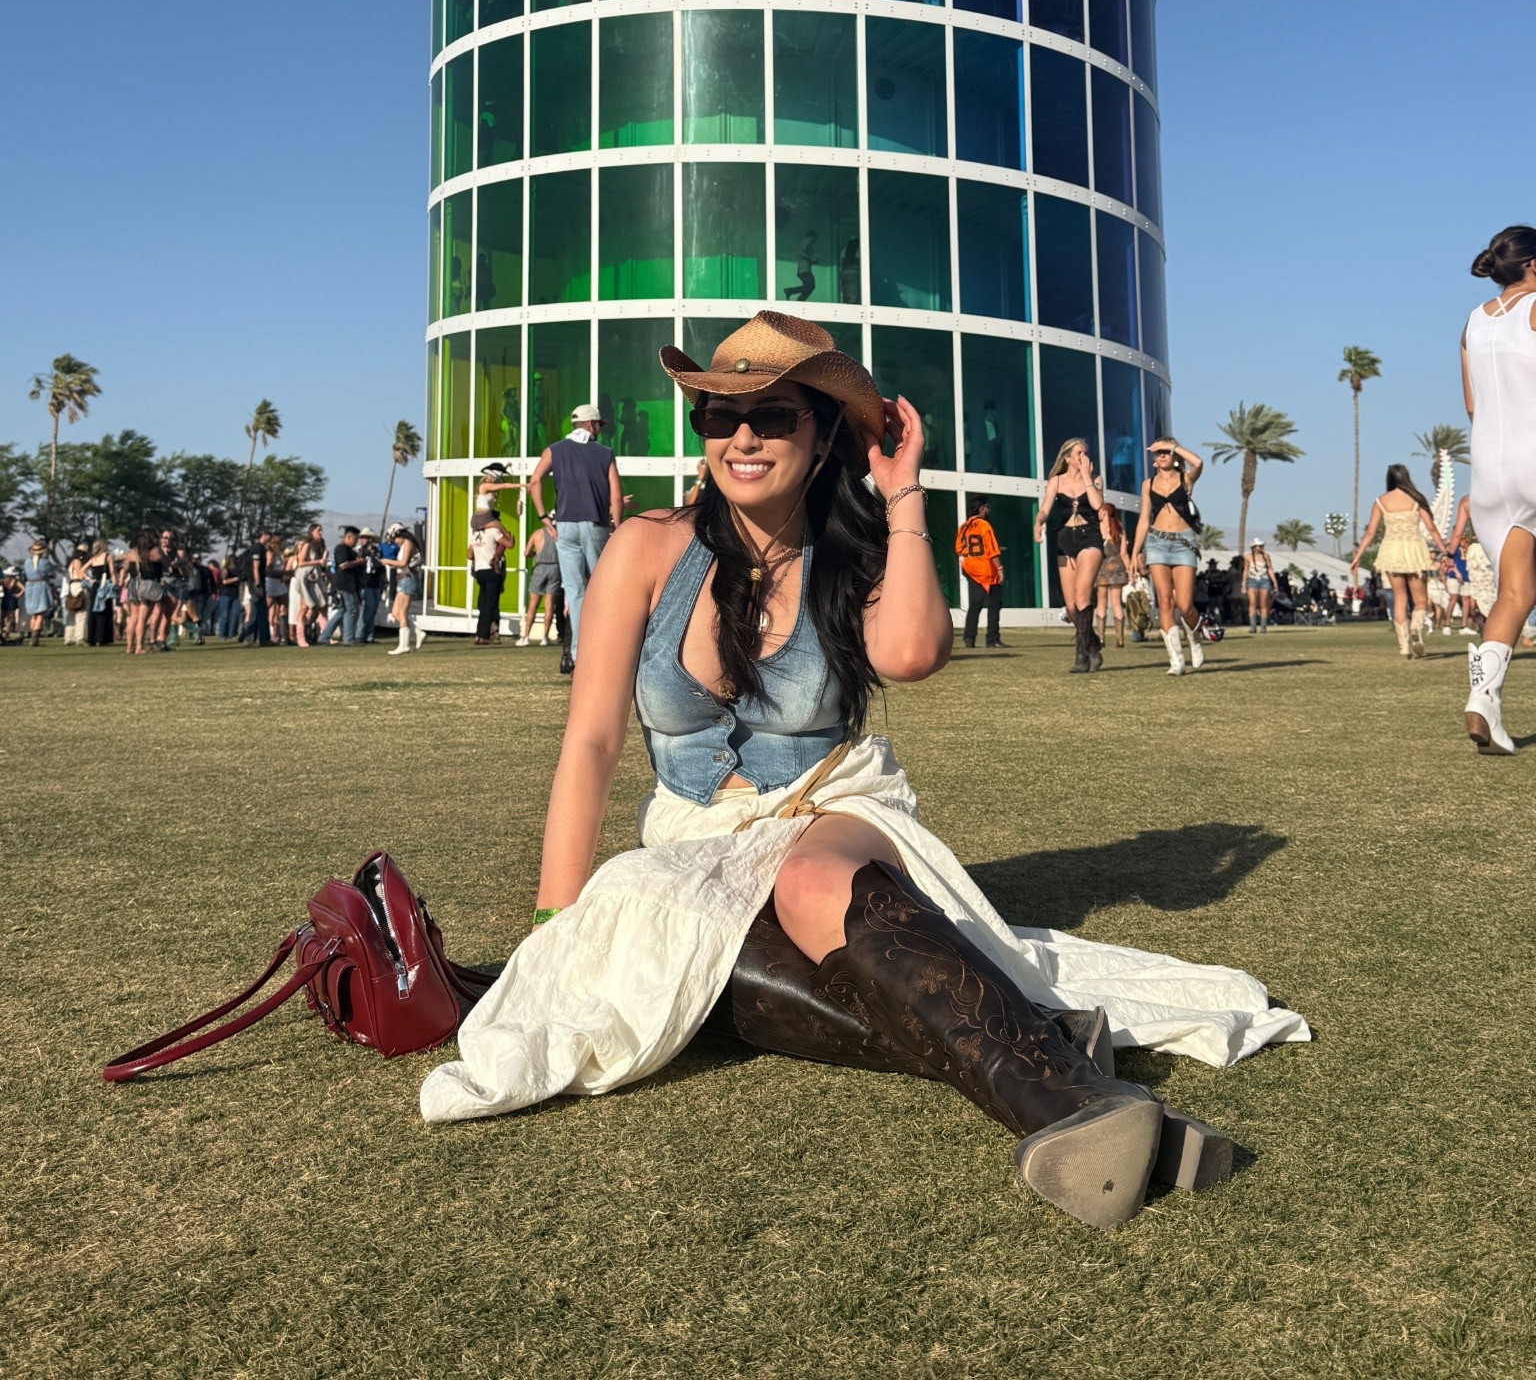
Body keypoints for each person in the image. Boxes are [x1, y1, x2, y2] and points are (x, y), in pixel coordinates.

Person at [419, 310, 1309, 1229]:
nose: (744, 438)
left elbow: (916, 654)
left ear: (825, 433)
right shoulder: (648, 546)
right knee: (689, 968)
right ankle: (1044, 1040)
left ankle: (1071, 1105)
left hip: (828, 805)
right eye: (720, 418)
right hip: (693, 832)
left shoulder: (858, 551)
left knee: (805, 885)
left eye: (774, 417)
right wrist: (553, 924)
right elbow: (592, 740)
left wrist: (906, 494)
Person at [1461, 226, 1536, 753]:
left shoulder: (1471, 322)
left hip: (1488, 467)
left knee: (1516, 593)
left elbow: (1471, 406)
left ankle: (1483, 699)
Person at [527, 403, 623, 664]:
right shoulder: (605, 453)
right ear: (592, 425)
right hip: (595, 524)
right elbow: (616, 495)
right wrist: (616, 523)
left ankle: (578, 655)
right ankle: (609, 650)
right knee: (604, 588)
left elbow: (534, 481)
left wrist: (543, 517)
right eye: (599, 425)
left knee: (575, 592)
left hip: (565, 525)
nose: (600, 430)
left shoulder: (555, 450)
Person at [1349, 467, 1447, 660]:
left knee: (1399, 599)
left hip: (1391, 551)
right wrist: (1445, 551)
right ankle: (1415, 628)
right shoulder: (1416, 499)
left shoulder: (1381, 501)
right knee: (1420, 600)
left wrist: (1358, 555)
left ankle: (1403, 646)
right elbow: (1431, 528)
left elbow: (1370, 532)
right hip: (1414, 549)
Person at [1129, 439, 1207, 676]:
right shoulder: (1148, 484)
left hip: (1184, 543)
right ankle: (1176, 660)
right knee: (1164, 601)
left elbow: (1199, 462)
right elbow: (1144, 519)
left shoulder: (1186, 479)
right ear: (1153, 459)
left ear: (1173, 455)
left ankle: (1194, 638)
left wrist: (1172, 446)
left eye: (1166, 452)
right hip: (1157, 542)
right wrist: (1135, 553)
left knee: (1184, 605)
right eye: (1158, 453)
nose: (1162, 456)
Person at [1034, 440, 1106, 673]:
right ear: (1067, 457)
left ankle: (1081, 656)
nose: (1083, 456)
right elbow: (1045, 507)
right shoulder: (1056, 481)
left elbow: (1097, 504)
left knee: (1083, 597)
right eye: (1078, 453)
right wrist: (1039, 521)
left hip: (1089, 538)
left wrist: (1087, 476)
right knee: (1072, 607)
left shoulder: (1094, 480)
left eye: (1085, 452)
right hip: (1065, 539)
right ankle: (1093, 644)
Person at [956, 499, 1004, 649]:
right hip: (986, 570)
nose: (988, 510)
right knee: (994, 604)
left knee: (975, 605)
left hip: (970, 568)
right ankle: (992, 639)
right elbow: (992, 550)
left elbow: (959, 549)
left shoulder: (964, 526)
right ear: (982, 508)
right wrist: (1000, 569)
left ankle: (969, 638)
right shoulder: (984, 525)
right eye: (987, 507)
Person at [470, 496, 513, 645]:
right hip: (491, 570)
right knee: (490, 604)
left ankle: (479, 634)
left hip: (479, 570)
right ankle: (484, 636)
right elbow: (509, 544)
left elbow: (469, 554)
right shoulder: (494, 531)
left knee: (483, 603)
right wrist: (508, 535)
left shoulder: (475, 534)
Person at [517, 514, 561, 645]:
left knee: (532, 605)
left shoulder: (537, 534)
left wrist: (535, 554)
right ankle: (545, 637)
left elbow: (526, 553)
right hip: (555, 568)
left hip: (540, 568)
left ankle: (525, 636)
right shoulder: (558, 535)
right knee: (549, 604)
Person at [318, 528, 365, 646]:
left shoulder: (349, 550)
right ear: (349, 537)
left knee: (342, 610)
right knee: (352, 610)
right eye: (355, 539)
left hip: (348, 584)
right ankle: (348, 638)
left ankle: (324, 637)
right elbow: (343, 565)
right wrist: (357, 562)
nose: (356, 542)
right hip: (345, 584)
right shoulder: (341, 549)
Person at [384, 523, 426, 654]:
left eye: (395, 539)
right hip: (403, 579)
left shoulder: (408, 543)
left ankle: (404, 645)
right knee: (395, 613)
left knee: (402, 612)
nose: (395, 542)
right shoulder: (403, 545)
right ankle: (417, 632)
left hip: (408, 580)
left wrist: (387, 561)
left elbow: (403, 563)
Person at [1095, 509, 1130, 651]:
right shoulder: (1119, 528)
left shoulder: (1097, 528)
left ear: (1104, 513)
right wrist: (1129, 570)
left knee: (1101, 602)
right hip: (1117, 567)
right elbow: (1124, 553)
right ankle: (1120, 639)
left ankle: (1101, 637)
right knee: (1116, 603)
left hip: (1101, 567)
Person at [1241, 540, 1278, 635]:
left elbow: (1270, 569)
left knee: (1264, 603)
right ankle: (1253, 627)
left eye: (1262, 546)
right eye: (1259, 546)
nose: (1261, 548)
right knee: (1252, 602)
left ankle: (1263, 627)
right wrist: (1244, 583)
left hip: (1264, 580)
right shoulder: (1248, 557)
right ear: (1254, 547)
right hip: (1252, 580)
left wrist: (1274, 582)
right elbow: (1246, 570)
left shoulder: (1266, 556)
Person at [356, 532, 386, 644]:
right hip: (366, 583)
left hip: (376, 583)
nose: (362, 540)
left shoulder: (377, 551)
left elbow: (381, 565)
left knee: (373, 610)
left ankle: (369, 635)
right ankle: (359, 634)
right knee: (367, 610)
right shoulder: (360, 551)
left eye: (364, 538)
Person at [784, 232, 818, 303]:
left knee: (809, 288)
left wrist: (813, 261)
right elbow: (800, 253)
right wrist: (811, 259)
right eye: (814, 238)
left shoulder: (809, 246)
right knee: (810, 286)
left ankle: (799, 301)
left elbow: (804, 257)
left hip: (805, 270)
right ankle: (790, 291)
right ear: (811, 237)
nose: (815, 241)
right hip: (804, 270)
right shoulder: (806, 243)